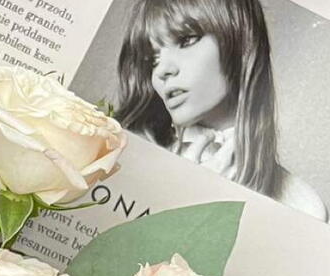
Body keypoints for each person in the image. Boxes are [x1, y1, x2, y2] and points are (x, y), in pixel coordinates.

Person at [116, 0, 328, 222]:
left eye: (186, 41)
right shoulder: (126, 161)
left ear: (240, 41)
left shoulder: (304, 206)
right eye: (153, 60)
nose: (162, 71)